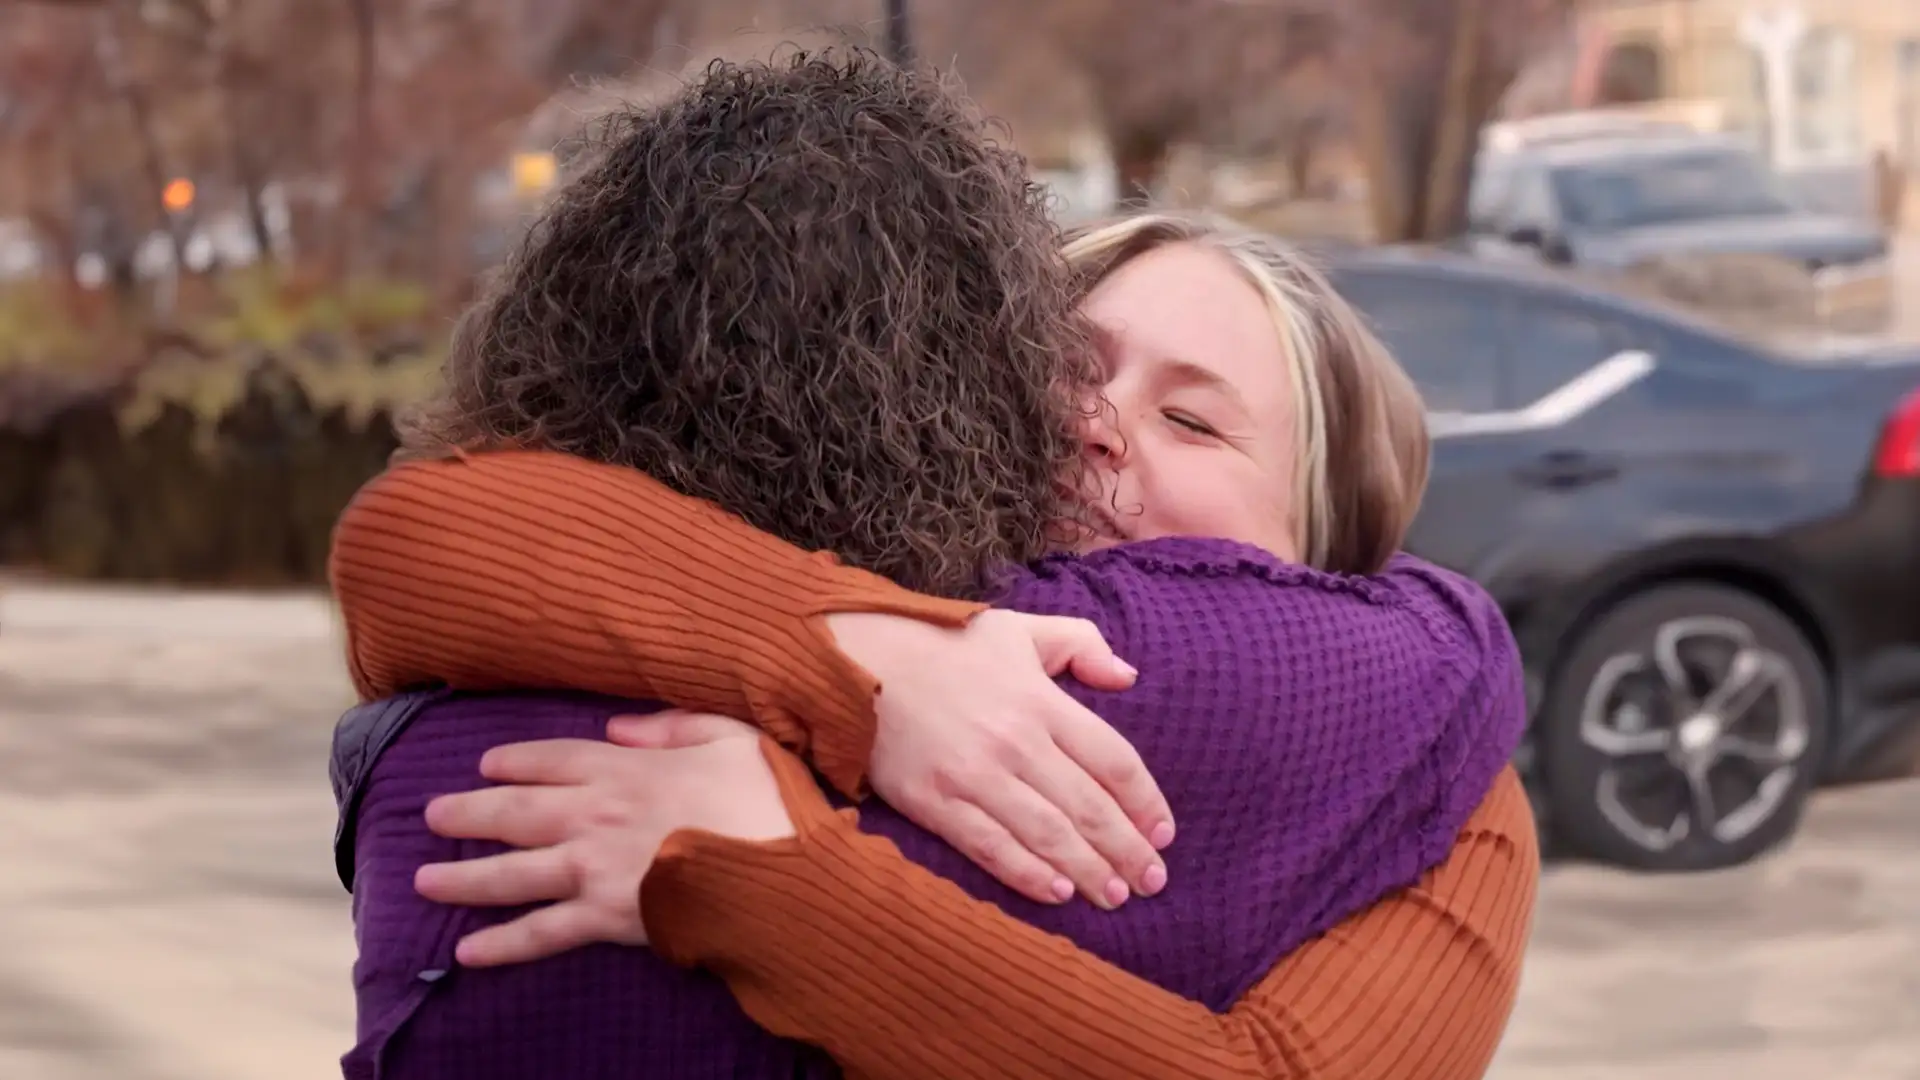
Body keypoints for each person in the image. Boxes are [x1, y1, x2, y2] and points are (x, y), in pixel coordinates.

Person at [328, 51, 1536, 1080]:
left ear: (1318, 543)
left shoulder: (1425, 775)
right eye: (1072, 363)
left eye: (1197, 421)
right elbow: (415, 537)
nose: (1098, 419)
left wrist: (781, 889)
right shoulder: (805, 549)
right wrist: (858, 646)